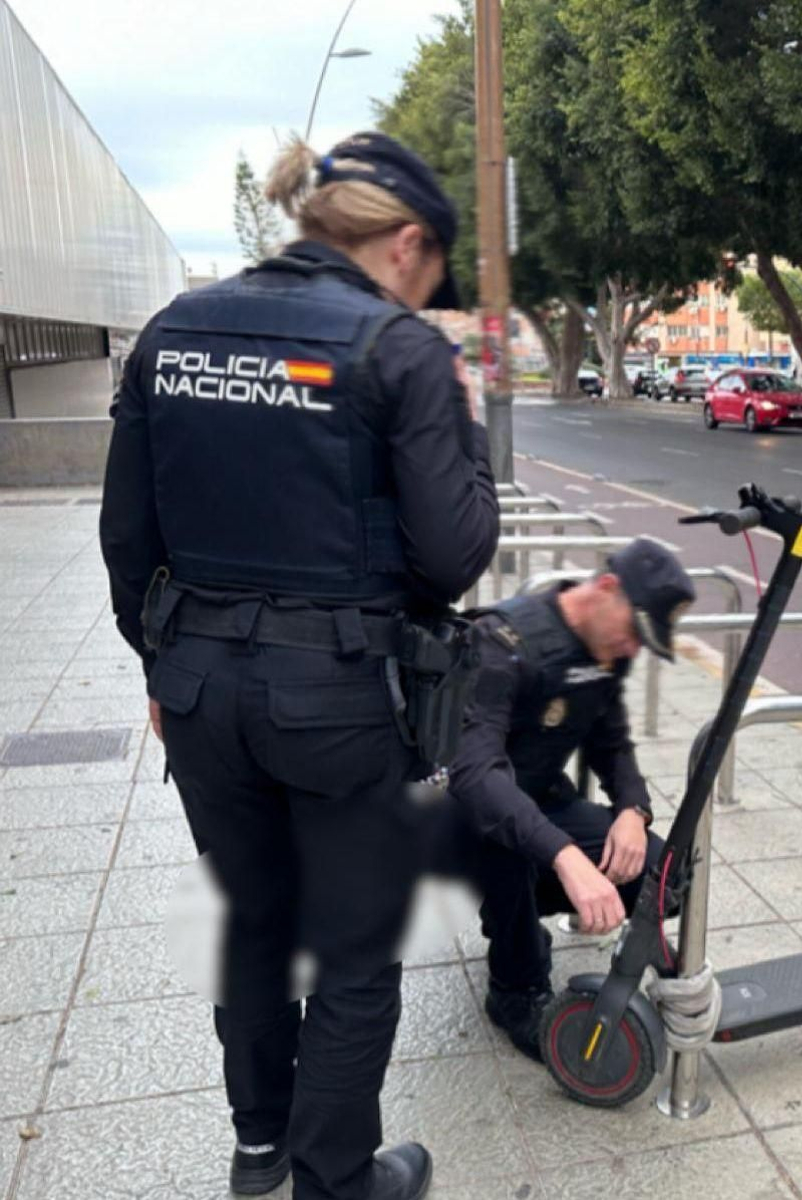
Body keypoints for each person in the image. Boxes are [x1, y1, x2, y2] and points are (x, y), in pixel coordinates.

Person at [99, 131, 500, 1200]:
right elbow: (453, 555)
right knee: (358, 950)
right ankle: (335, 1180)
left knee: (255, 918)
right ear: (407, 241)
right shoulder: (399, 351)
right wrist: (462, 422)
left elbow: (127, 540)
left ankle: (260, 1145)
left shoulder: (172, 332)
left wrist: (162, 669)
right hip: (337, 700)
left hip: (197, 688)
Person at [445, 540, 696, 1060]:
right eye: (633, 632)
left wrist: (633, 810)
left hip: (539, 801)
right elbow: (476, 777)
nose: (632, 649)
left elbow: (612, 745)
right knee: (511, 847)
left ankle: (522, 910)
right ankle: (515, 992)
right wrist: (565, 856)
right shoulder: (499, 642)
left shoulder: (606, 651)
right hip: (462, 819)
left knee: (661, 870)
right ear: (606, 589)